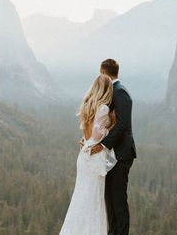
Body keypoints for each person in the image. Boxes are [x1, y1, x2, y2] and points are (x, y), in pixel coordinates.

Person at [59, 74, 117, 235]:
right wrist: (109, 127)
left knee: (81, 196)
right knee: (94, 198)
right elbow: (97, 134)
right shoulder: (103, 108)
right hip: (94, 155)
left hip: (84, 153)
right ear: (107, 89)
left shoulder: (87, 104)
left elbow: (87, 132)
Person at [91, 58, 137, 235]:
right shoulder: (114, 91)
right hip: (112, 155)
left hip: (121, 154)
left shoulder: (120, 92)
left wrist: (102, 145)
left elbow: (123, 125)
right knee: (109, 199)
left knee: (118, 200)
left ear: (103, 73)